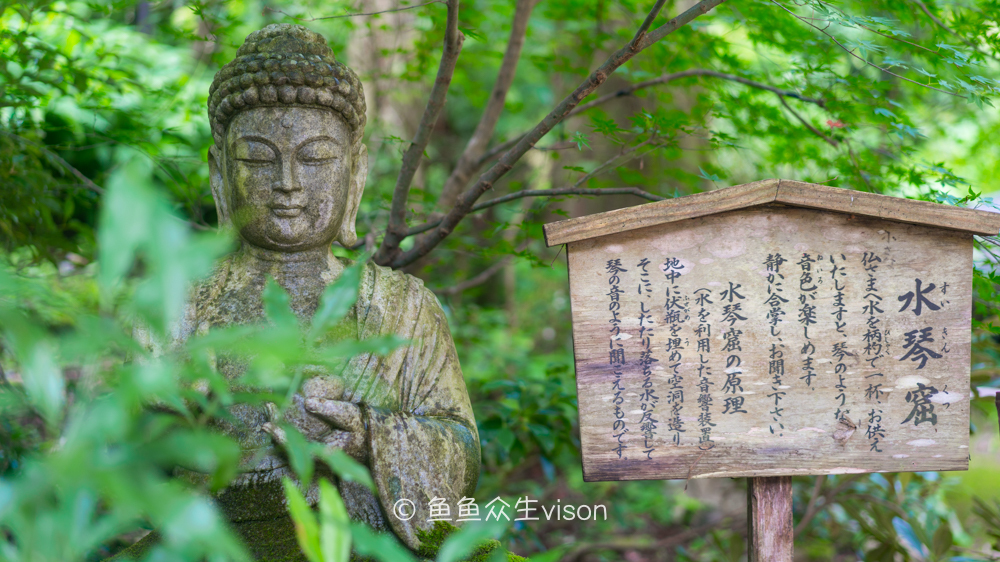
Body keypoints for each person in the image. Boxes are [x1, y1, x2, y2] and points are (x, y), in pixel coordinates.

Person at [116, 23, 480, 561]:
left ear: (354, 175)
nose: (288, 182)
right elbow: (110, 456)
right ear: (220, 175)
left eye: (315, 159)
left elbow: (463, 452)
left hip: (362, 538)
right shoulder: (171, 306)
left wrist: (371, 436)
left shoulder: (405, 308)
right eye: (260, 160)